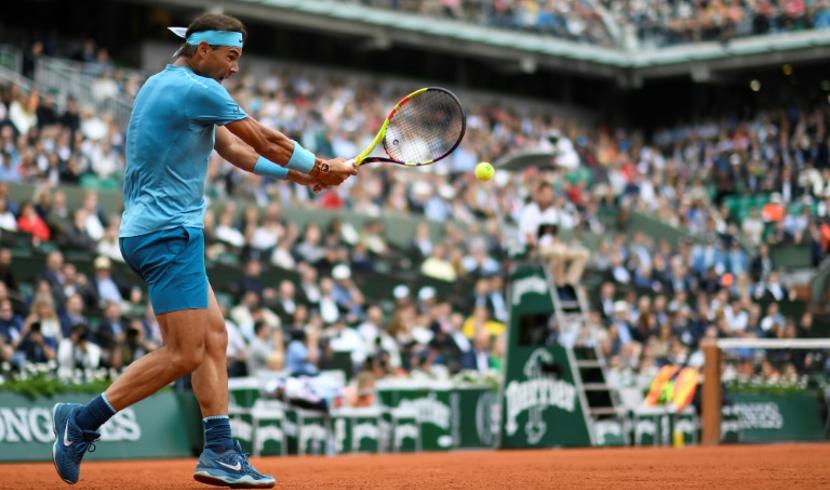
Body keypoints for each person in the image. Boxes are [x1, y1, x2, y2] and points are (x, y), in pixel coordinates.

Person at [51, 13, 356, 488]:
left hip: (154, 232)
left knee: (213, 340)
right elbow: (267, 139)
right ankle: (81, 421)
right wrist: (321, 164)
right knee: (184, 353)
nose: (235, 68)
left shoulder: (163, 85)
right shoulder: (199, 90)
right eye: (230, 56)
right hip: (168, 235)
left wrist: (305, 176)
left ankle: (218, 450)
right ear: (202, 51)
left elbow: (236, 152)